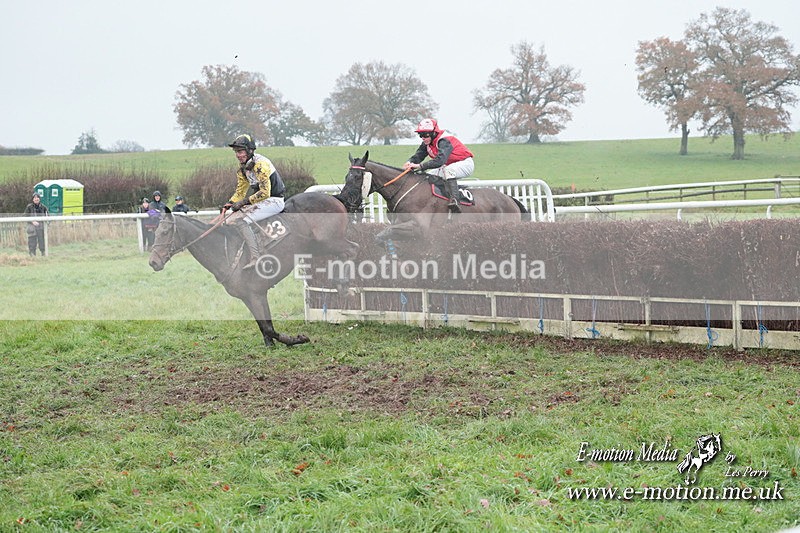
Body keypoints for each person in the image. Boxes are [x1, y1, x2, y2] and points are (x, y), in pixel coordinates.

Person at [222, 134, 286, 270]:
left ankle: (256, 257)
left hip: (274, 201)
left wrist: (244, 202)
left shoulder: (260, 165)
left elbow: (265, 192)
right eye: (236, 152)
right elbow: (240, 191)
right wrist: (230, 202)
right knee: (228, 220)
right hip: (262, 202)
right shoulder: (243, 169)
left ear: (249, 150)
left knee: (241, 221)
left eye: (240, 151)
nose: (238, 155)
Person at [402, 118, 475, 213]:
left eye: (425, 135)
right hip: (448, 165)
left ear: (434, 133)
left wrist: (420, 166)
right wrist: (409, 162)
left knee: (449, 171)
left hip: (465, 163)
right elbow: (418, 156)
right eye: (420, 135)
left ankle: (455, 201)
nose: (423, 138)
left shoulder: (444, 140)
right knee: (428, 177)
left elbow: (439, 161)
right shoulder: (427, 142)